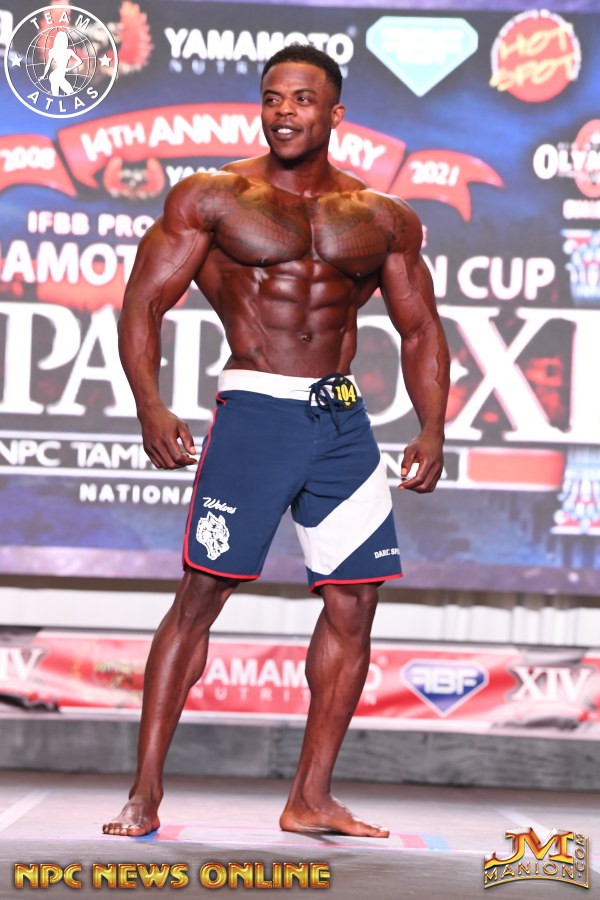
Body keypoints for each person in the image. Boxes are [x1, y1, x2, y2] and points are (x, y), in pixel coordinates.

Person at [103, 43, 449, 839]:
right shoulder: (215, 197)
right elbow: (142, 303)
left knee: (355, 602)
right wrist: (151, 405)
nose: (284, 112)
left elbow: (421, 328)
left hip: (341, 420)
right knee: (201, 596)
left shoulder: (381, 216)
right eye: (272, 98)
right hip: (257, 412)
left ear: (335, 113)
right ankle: (144, 793)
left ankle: (310, 797)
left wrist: (433, 425)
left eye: (301, 99)